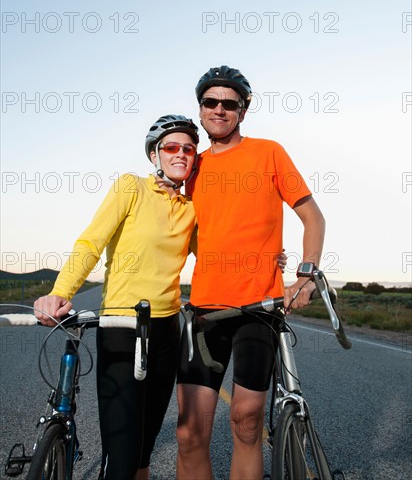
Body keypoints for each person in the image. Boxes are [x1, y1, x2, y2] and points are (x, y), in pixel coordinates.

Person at [176, 66, 326, 480]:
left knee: (245, 422)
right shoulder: (190, 167)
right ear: (201, 108)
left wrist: (305, 275)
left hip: (258, 308)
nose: (219, 109)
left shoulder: (268, 152)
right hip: (205, 312)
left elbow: (313, 217)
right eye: (211, 102)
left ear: (243, 110)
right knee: (189, 433)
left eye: (230, 103)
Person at [33, 115, 200, 480]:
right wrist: (60, 292)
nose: (181, 154)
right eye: (171, 147)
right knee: (121, 458)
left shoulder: (191, 209)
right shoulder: (131, 187)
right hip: (122, 327)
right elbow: (90, 243)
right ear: (155, 155)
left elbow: (215, 258)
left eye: (189, 148)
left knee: (143, 451)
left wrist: (271, 263)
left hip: (168, 332)